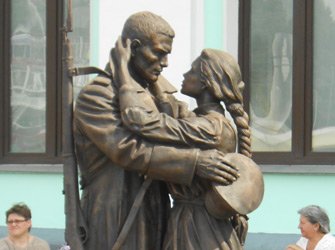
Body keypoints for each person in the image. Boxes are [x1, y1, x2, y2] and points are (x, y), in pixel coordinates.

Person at [73, 11, 240, 250]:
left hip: (157, 208)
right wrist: (195, 162)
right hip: (117, 212)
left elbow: (188, 126)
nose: (165, 63)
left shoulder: (156, 94)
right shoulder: (99, 94)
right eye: (159, 53)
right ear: (134, 47)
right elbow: (128, 151)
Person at [114, 39, 251, 249]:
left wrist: (123, 71)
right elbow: (171, 110)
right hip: (193, 223)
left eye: (192, 71)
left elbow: (139, 120)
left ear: (206, 82)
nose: (185, 74)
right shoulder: (204, 121)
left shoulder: (210, 128)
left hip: (198, 229)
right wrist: (150, 74)